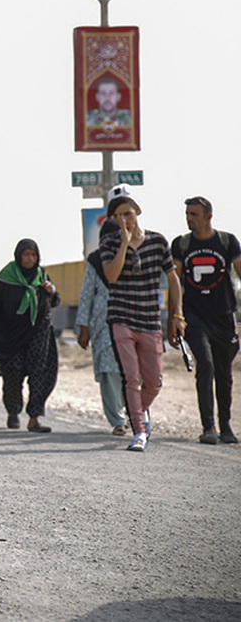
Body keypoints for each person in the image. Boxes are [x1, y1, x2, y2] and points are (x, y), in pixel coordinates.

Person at [101, 193, 183, 453]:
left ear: (137, 210)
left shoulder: (158, 242)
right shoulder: (110, 242)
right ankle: (138, 431)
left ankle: (138, 410)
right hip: (121, 317)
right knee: (131, 376)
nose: (123, 220)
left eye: (127, 213)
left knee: (154, 381)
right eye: (117, 217)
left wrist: (177, 315)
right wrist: (124, 244)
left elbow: (173, 280)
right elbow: (111, 276)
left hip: (149, 318)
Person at [170, 196, 241, 445]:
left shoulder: (227, 241)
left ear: (208, 216)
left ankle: (226, 427)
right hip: (194, 315)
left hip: (223, 315)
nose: (189, 218)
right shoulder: (181, 244)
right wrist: (174, 318)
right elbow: (175, 282)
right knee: (206, 365)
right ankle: (208, 427)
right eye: (187, 214)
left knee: (224, 373)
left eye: (194, 214)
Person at [0, 240, 61, 432]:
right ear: (18, 256)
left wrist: (51, 292)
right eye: (26, 255)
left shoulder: (41, 275)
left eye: (33, 255)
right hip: (11, 336)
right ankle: (13, 412)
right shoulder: (6, 277)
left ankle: (34, 418)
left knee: (39, 374)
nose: (30, 259)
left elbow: (55, 302)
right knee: (12, 375)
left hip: (39, 334)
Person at [76, 219, 129, 436]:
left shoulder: (133, 255)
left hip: (131, 318)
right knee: (109, 371)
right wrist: (84, 326)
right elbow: (87, 293)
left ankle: (133, 414)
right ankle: (117, 420)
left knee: (131, 370)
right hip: (103, 322)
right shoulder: (96, 260)